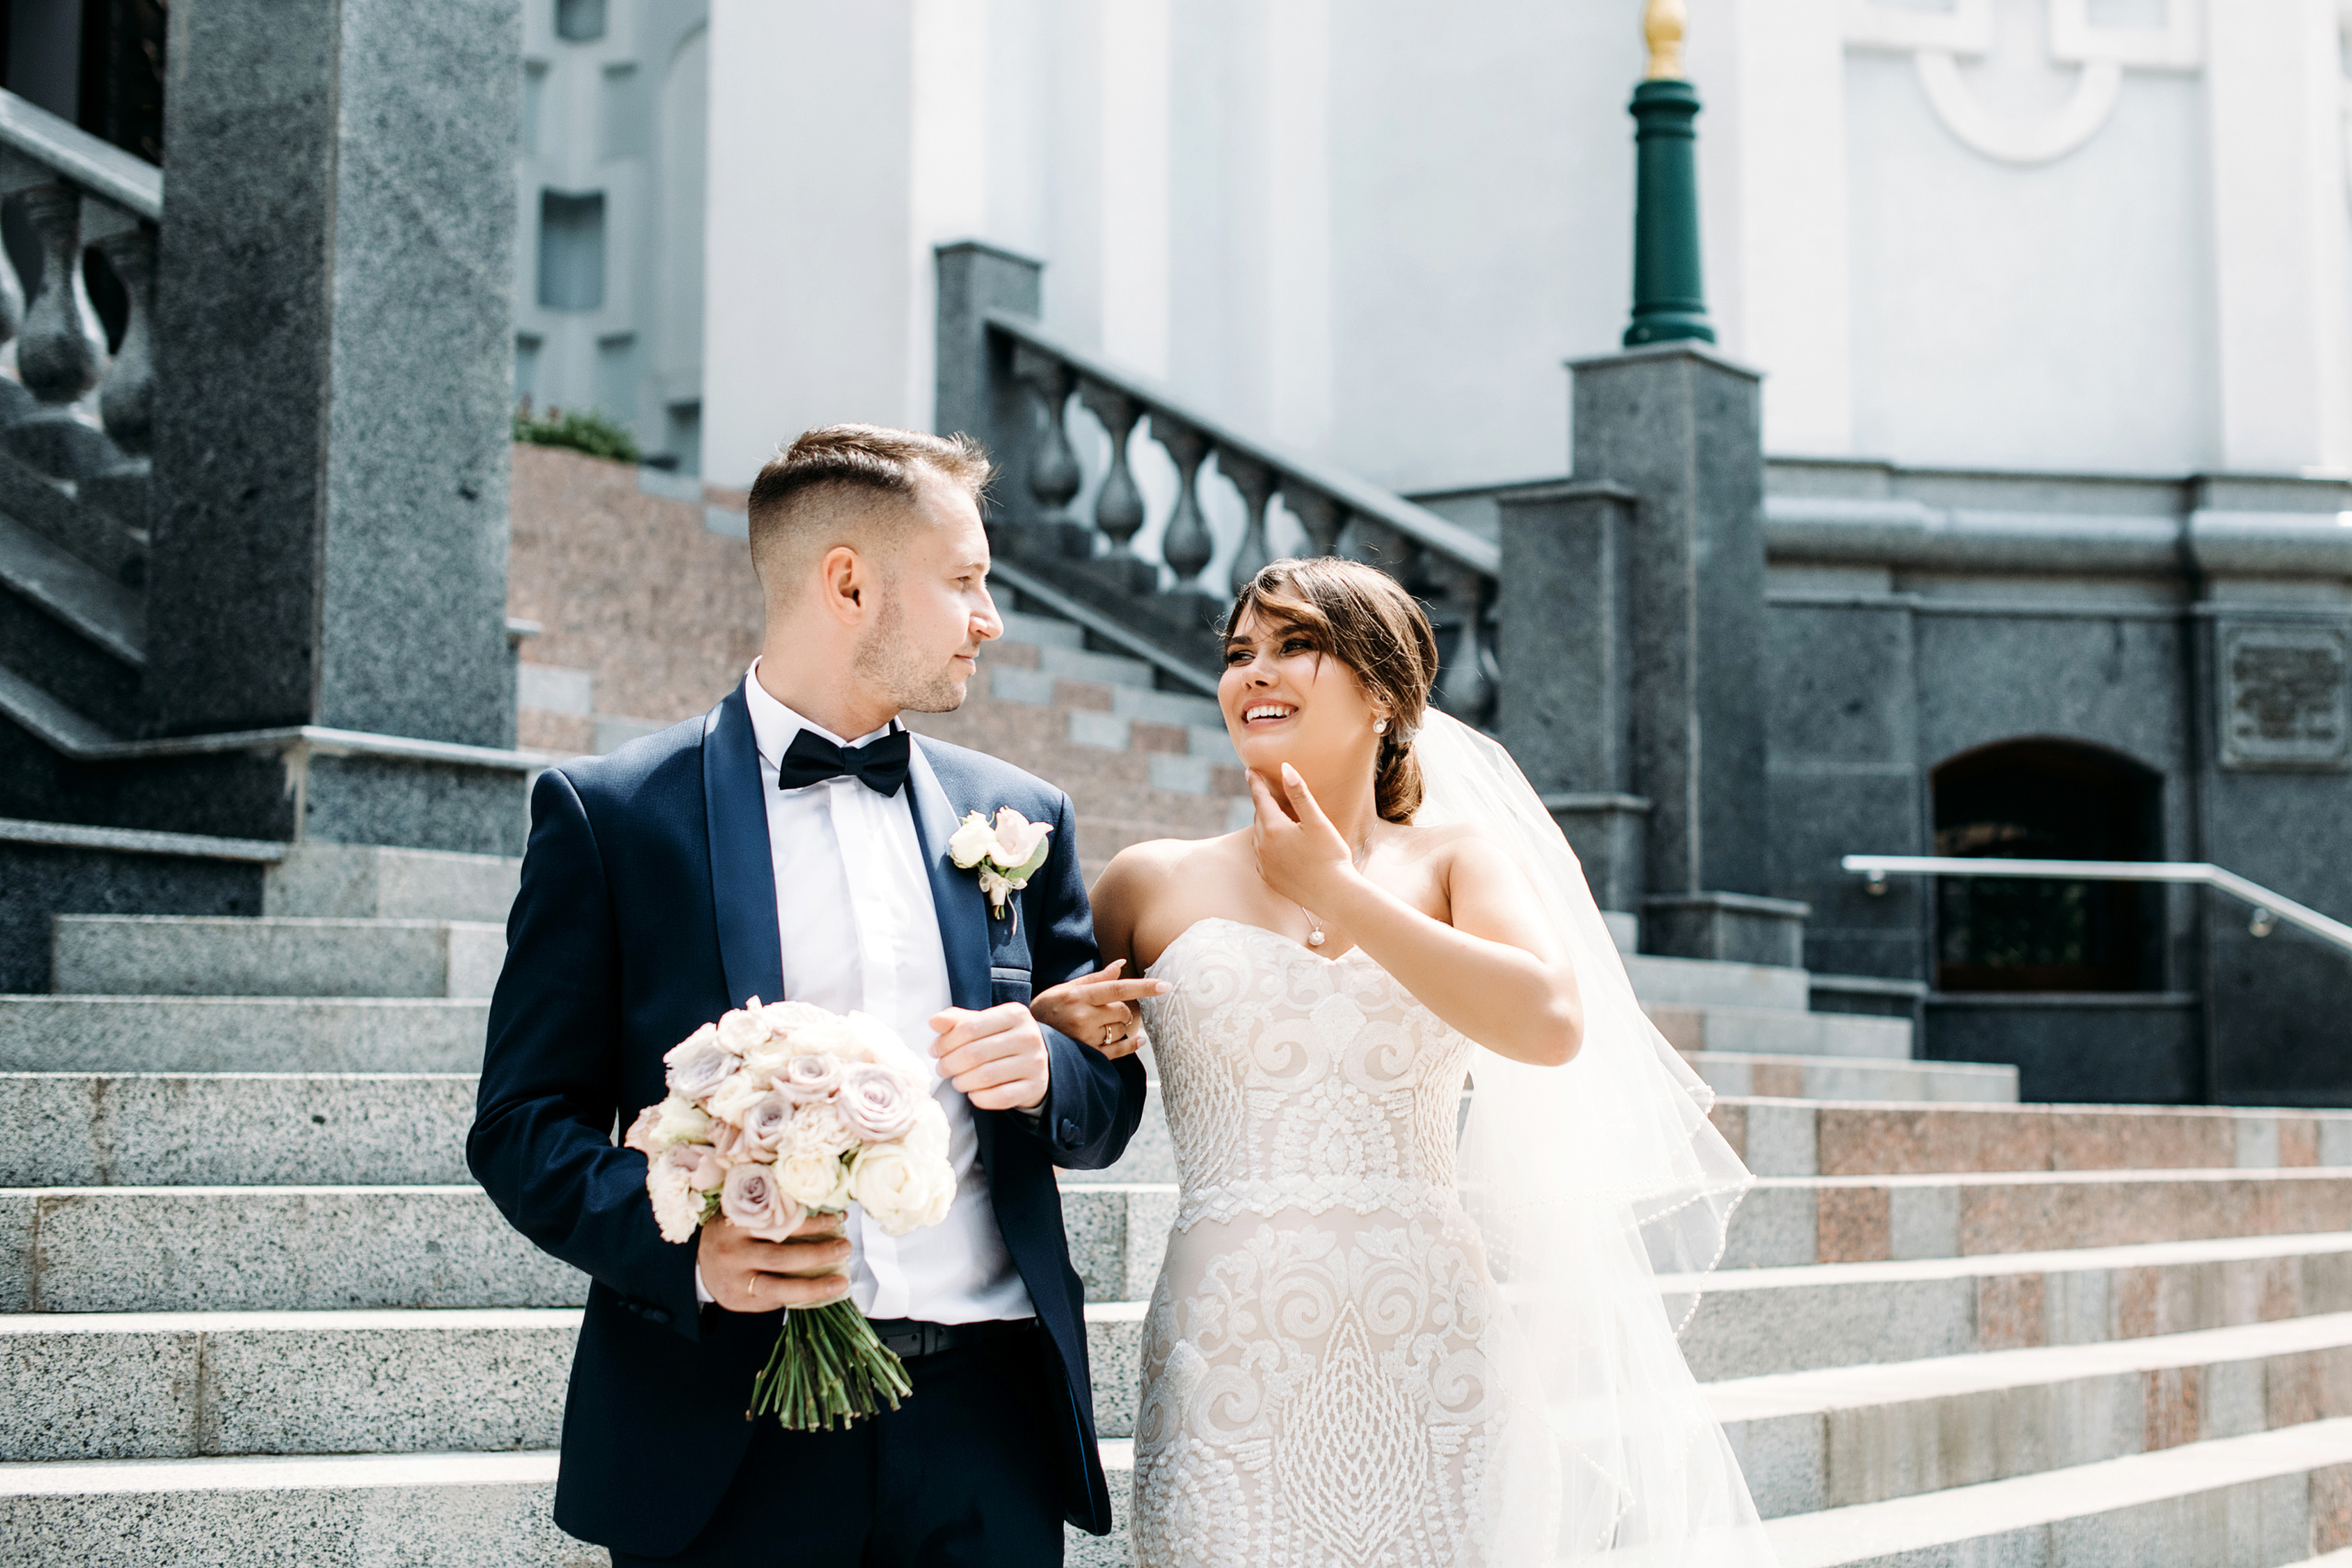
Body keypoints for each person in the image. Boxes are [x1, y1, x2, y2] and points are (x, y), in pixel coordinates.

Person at [469, 424, 1159, 1565]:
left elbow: (1105, 1098)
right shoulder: (614, 818)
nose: (989, 619)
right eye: (965, 581)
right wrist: (690, 1249)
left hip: (988, 1423)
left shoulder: (1021, 816)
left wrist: (1050, 1071)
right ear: (848, 584)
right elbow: (521, 1125)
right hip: (728, 1431)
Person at [1082, 557, 1781, 1565]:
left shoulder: (1457, 861)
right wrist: (1060, 1024)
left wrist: (1340, 891)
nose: (1254, 672)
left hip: (1433, 1345)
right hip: (1227, 1343)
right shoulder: (1147, 881)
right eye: (1239, 653)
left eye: (1295, 646)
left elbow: (1549, 1023)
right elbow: (1071, 1086)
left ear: (1381, 693)